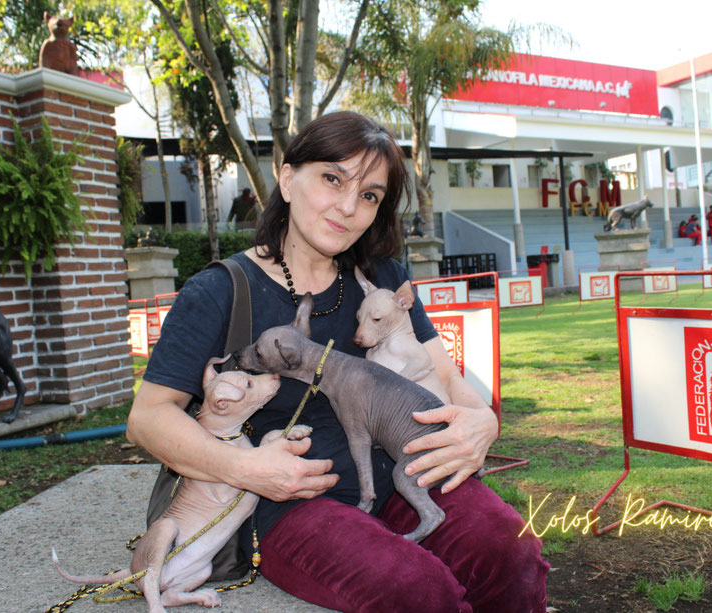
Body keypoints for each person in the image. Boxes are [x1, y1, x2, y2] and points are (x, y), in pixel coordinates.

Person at [127, 111, 549, 612]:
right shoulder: (218, 291)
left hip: (408, 470)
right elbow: (147, 418)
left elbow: (447, 379)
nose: (348, 206)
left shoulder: (381, 279)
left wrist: (482, 422)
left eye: (369, 195)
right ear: (287, 178)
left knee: (512, 551)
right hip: (294, 504)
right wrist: (243, 467)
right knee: (415, 589)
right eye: (333, 178)